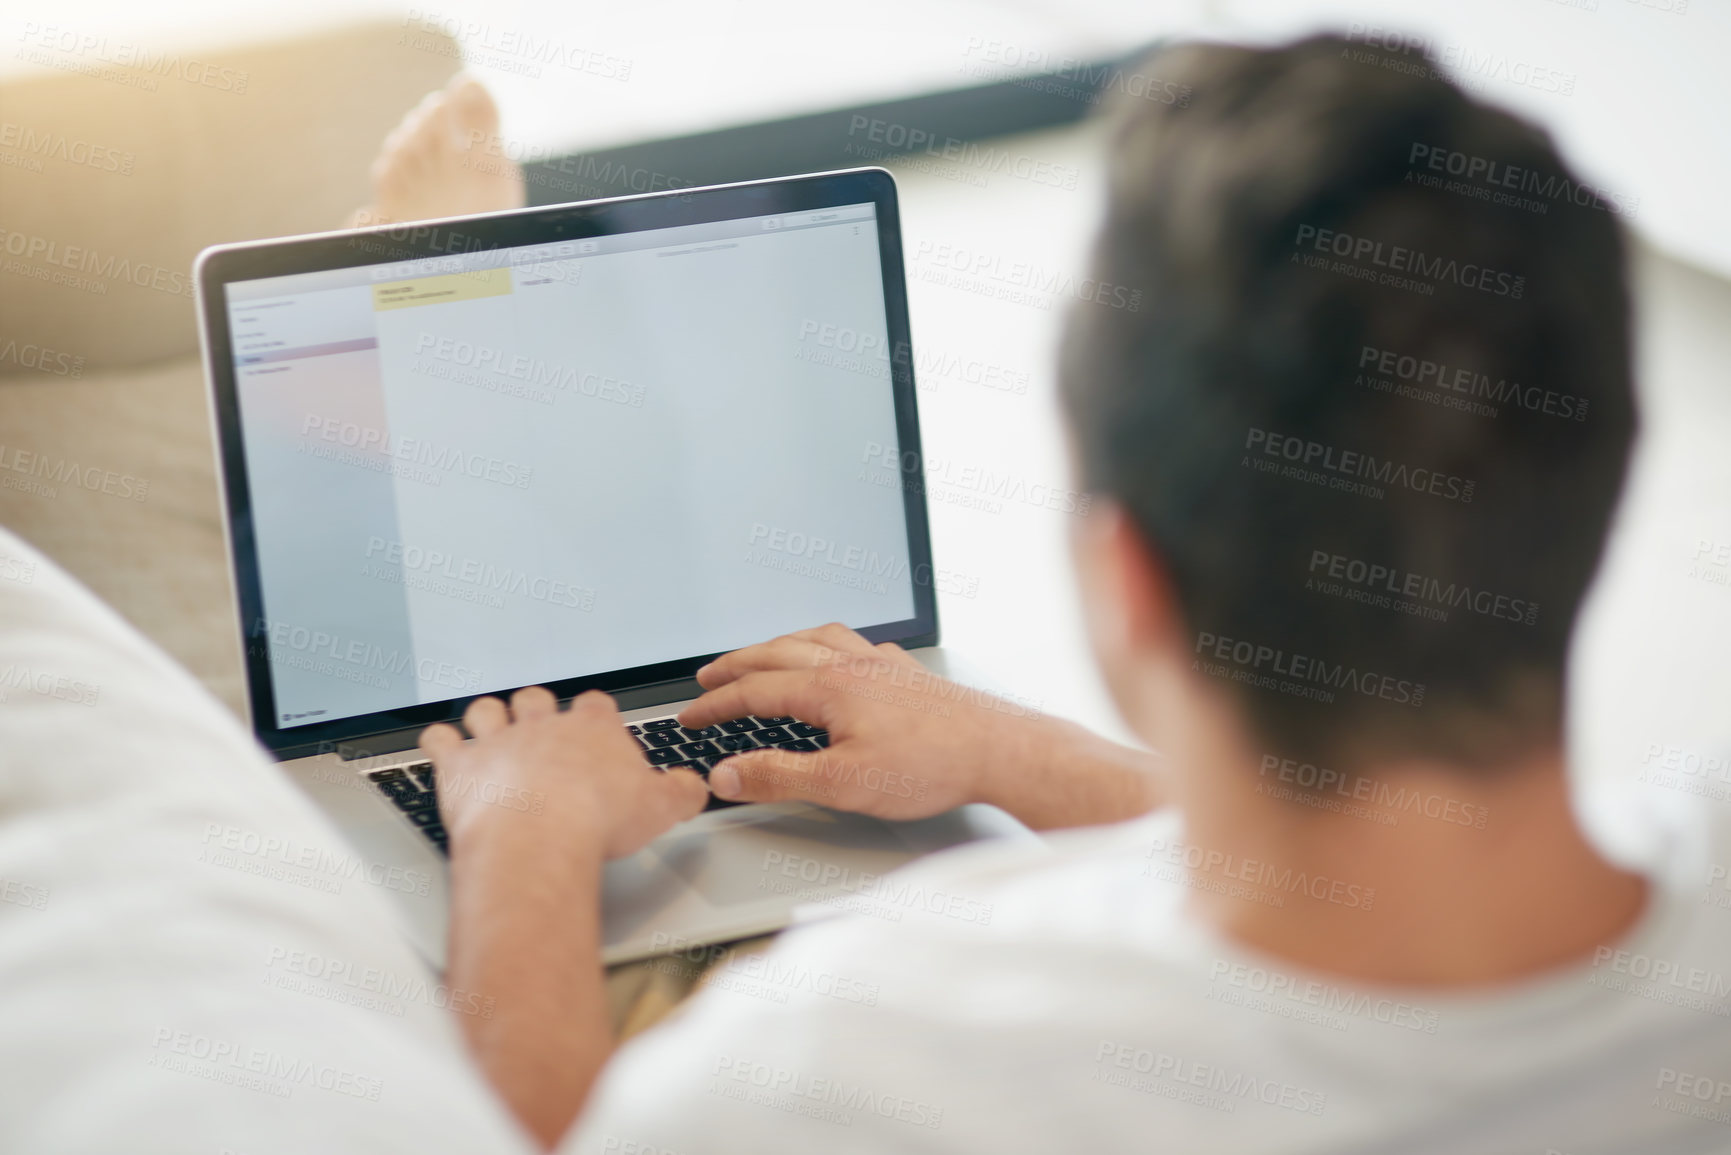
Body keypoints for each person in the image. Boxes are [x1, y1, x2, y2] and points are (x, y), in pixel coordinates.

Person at [379, 36, 1729, 1153]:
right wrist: (1009, 752)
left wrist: (529, 847)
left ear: (1120, 577)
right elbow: (1375, 885)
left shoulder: (866, 1065)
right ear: (1607, 488)